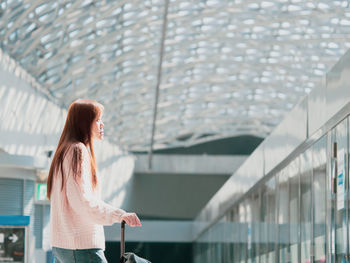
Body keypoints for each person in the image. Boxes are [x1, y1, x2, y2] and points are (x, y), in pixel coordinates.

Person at [46, 99, 141, 263]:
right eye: (97, 120)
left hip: (64, 247)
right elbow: (83, 202)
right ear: (84, 123)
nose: (102, 124)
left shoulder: (63, 151)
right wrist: (119, 215)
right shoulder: (77, 150)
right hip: (82, 248)